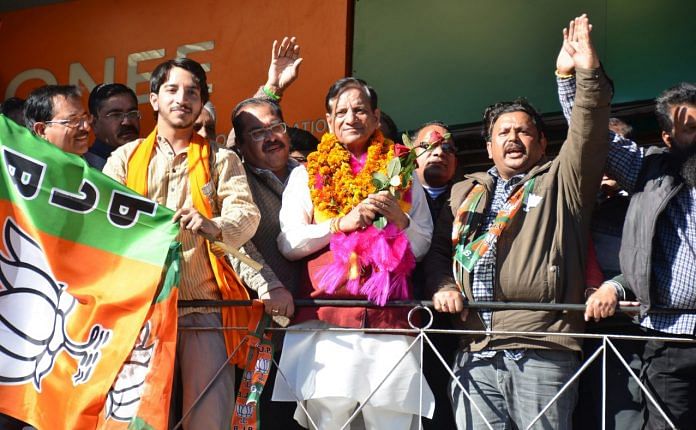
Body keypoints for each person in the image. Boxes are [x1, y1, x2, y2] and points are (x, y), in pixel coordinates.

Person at [425, 14, 612, 429]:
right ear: (489, 146)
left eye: (524, 132)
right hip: (474, 348)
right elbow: (438, 253)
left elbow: (589, 131)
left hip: (542, 348)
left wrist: (583, 75)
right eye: (503, 132)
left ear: (543, 143)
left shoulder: (564, 181)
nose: (513, 138)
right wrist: (442, 285)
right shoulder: (463, 191)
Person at [102, 57, 260, 429]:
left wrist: (213, 225)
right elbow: (103, 223)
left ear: (202, 101)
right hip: (139, 314)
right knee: (135, 419)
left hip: (202, 310)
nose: (182, 98)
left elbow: (247, 216)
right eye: (172, 90)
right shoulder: (124, 159)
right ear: (154, 100)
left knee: (207, 419)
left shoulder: (223, 160)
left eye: (192, 91)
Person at [272, 77, 435, 429]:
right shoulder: (306, 175)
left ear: (376, 118)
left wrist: (399, 220)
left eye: (359, 109)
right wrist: (339, 224)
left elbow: (422, 244)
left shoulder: (403, 172)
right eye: (341, 111)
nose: (351, 117)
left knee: (390, 421)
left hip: (390, 321)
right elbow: (289, 242)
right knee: (329, 421)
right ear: (329, 122)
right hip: (328, 321)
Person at [584, 80, 696, 428]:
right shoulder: (648, 171)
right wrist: (578, 75)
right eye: (690, 129)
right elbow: (593, 132)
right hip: (670, 337)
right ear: (667, 138)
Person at [555, 37, 644, 430]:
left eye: (607, 157)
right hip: (564, 331)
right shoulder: (566, 200)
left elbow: (651, 259)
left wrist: (615, 287)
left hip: (623, 330)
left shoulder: (643, 201)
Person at [23, 85, 91, 156]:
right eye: (73, 120)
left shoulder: (98, 165)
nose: (86, 127)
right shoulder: (28, 166)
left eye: (85, 117)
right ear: (41, 130)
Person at [85, 83, 140, 169]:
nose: (127, 122)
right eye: (115, 115)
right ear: (94, 124)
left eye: (132, 113)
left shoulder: (152, 161)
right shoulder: (84, 171)